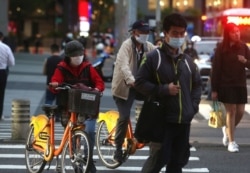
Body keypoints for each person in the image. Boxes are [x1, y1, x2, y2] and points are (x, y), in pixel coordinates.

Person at [134, 13, 202, 173]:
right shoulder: (153, 57)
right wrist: (163, 89)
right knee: (157, 161)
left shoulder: (188, 61)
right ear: (166, 33)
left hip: (183, 121)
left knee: (177, 163)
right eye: (175, 33)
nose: (179, 37)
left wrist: (193, 107)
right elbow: (139, 83)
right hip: (162, 120)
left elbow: (197, 85)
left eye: (181, 33)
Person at [50, 40, 105, 172]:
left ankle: (88, 160)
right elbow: (54, 83)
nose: (78, 57)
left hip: (86, 107)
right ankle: (71, 158)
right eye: (74, 55)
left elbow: (99, 82)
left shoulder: (88, 67)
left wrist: (98, 89)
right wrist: (56, 85)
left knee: (88, 132)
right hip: (67, 107)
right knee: (70, 135)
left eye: (80, 54)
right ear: (68, 56)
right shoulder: (61, 68)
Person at [111, 20, 155, 163]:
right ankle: (118, 148)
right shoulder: (126, 46)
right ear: (134, 32)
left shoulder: (148, 47)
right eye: (142, 32)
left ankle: (141, 134)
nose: (144, 35)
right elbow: (124, 65)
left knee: (153, 105)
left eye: (147, 32)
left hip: (140, 85)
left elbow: (159, 57)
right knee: (124, 117)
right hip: (125, 86)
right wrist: (131, 80)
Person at [211, 22, 250, 153]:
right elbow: (216, 69)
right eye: (233, 32)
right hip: (225, 84)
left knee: (240, 112)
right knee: (231, 111)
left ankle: (227, 129)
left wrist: (245, 61)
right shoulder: (221, 48)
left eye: (238, 31)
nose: (237, 34)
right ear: (228, 34)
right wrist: (214, 89)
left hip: (240, 83)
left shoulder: (244, 47)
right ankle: (232, 142)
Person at [42, 44, 63, 121]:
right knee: (59, 101)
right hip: (60, 84)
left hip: (50, 84)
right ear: (59, 49)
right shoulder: (62, 60)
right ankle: (57, 116)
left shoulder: (47, 59)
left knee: (49, 100)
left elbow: (44, 72)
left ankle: (48, 115)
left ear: (51, 50)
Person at [0, 31, 15, 120]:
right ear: (1, 37)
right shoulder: (6, 47)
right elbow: (12, 62)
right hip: (2, 72)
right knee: (1, 94)